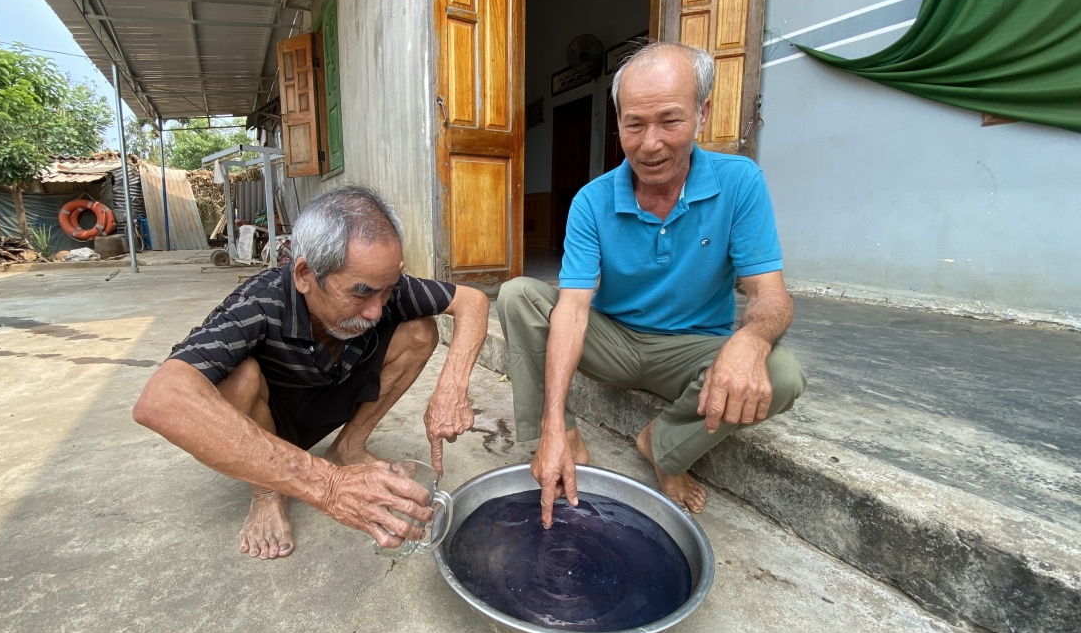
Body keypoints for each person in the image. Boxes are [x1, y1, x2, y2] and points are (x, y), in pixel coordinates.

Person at [497, 42, 807, 527]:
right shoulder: (592, 200)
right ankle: (566, 438)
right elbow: (574, 308)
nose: (650, 143)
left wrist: (751, 338)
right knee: (519, 295)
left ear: (702, 114)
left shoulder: (740, 182)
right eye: (634, 124)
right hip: (613, 341)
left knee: (782, 373)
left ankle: (661, 445)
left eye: (670, 120)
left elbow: (770, 294)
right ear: (618, 121)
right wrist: (552, 421)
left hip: (691, 349)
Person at [134, 186, 490, 558]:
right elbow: (161, 400)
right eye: (360, 293)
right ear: (304, 274)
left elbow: (473, 301)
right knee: (237, 378)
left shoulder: (383, 288)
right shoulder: (258, 303)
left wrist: (451, 388)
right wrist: (329, 486)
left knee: (420, 330)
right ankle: (267, 492)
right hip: (268, 424)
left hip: (331, 396)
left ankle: (348, 447)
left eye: (386, 290)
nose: (375, 310)